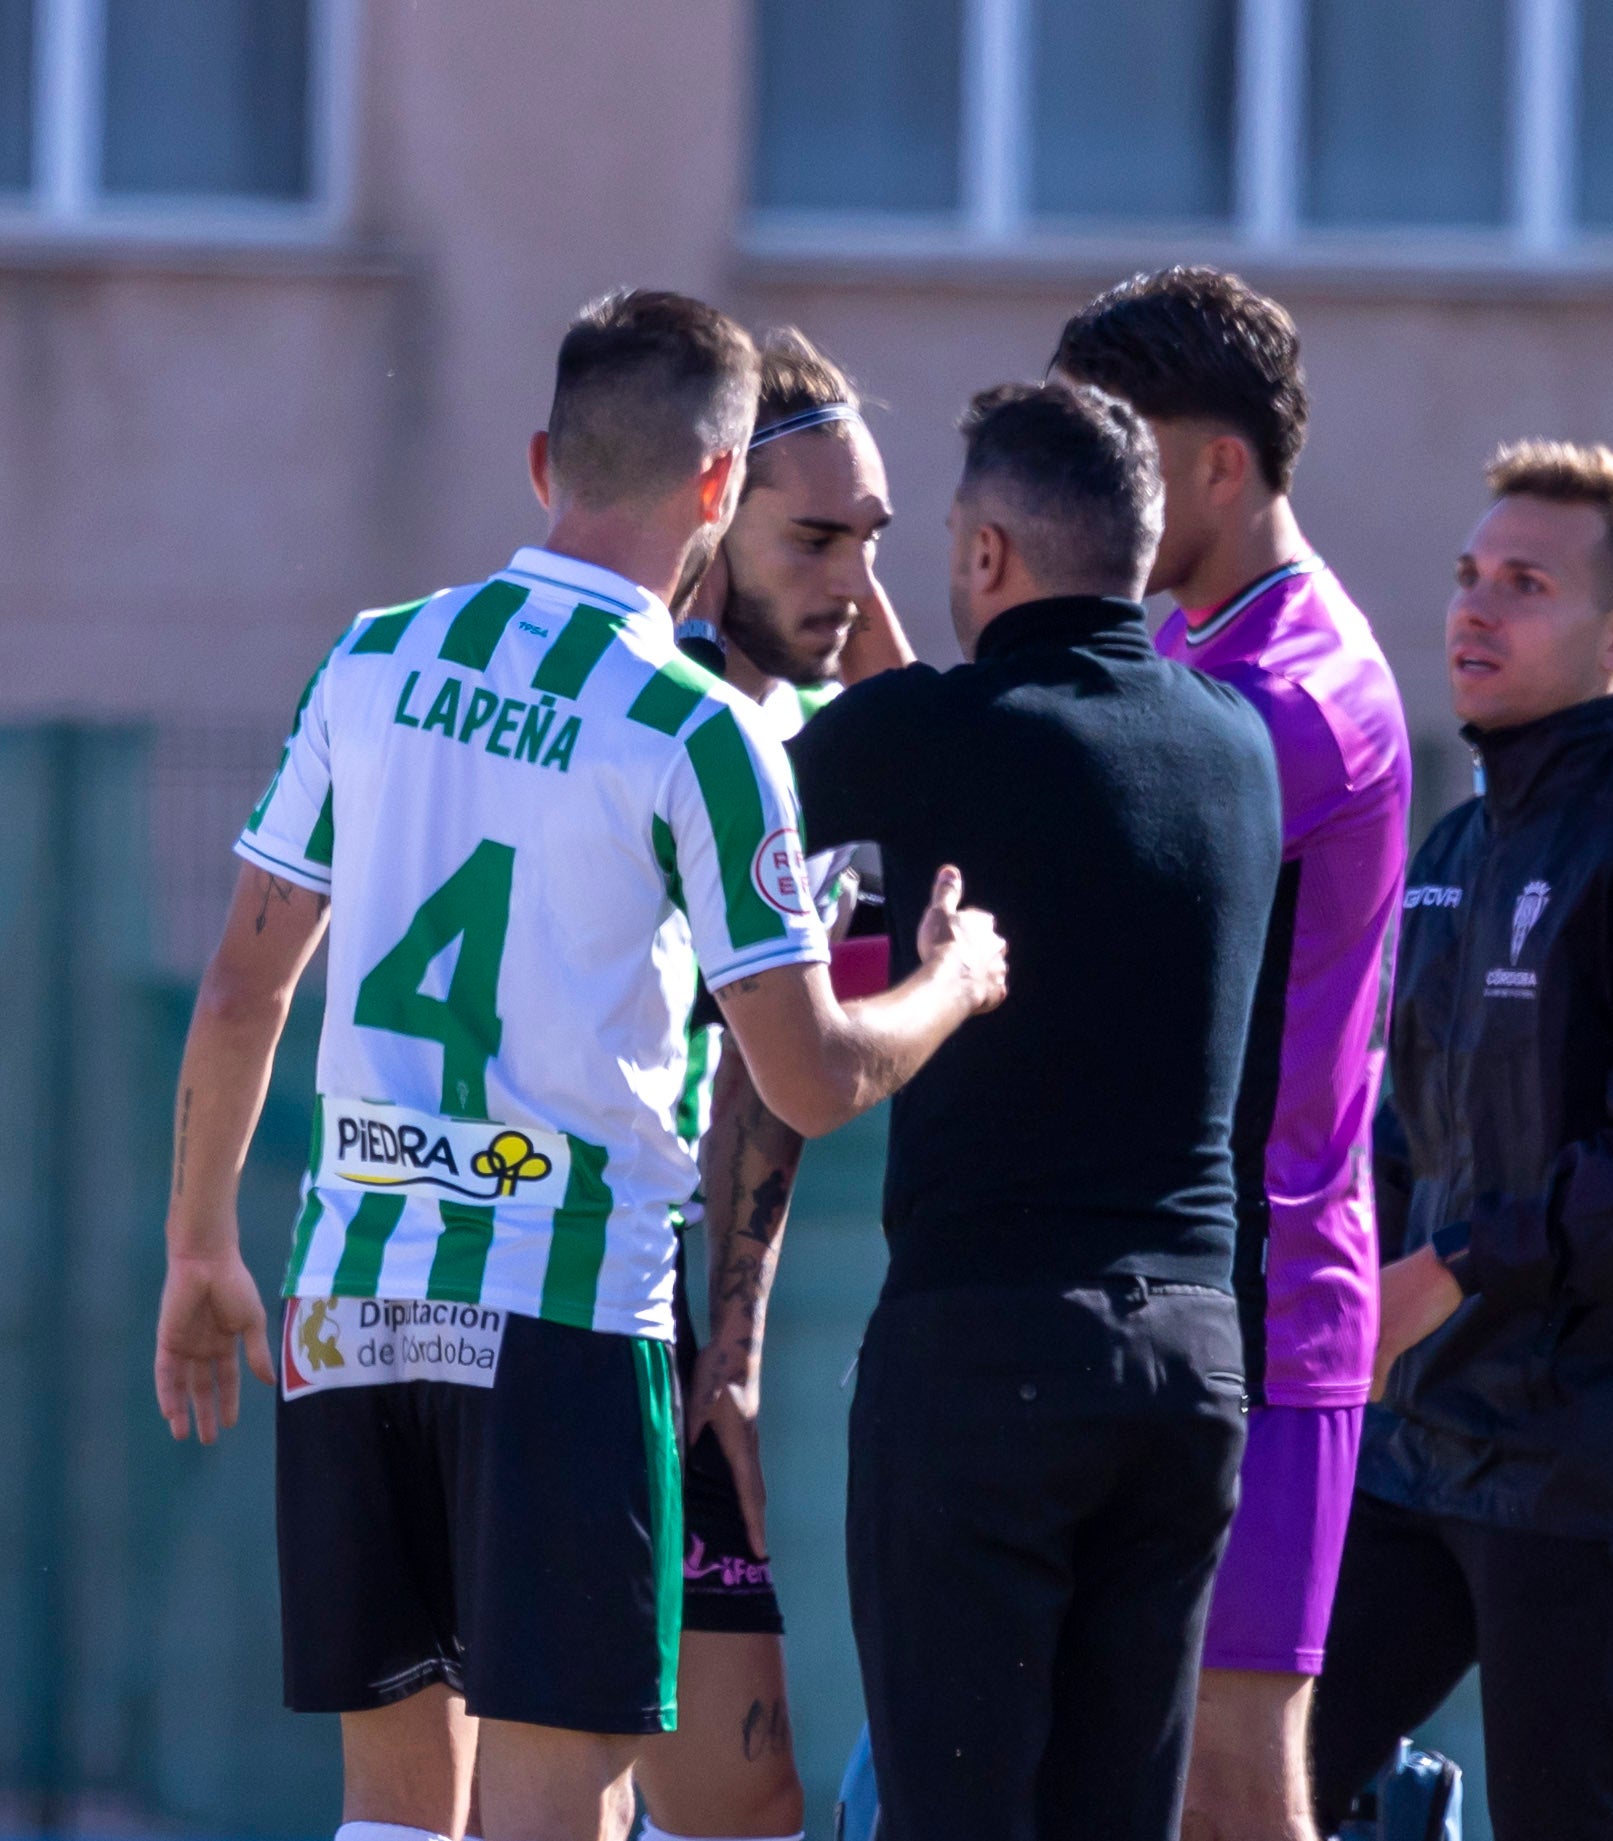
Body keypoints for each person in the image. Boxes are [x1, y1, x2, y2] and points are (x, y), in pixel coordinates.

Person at [151, 290, 1007, 1841]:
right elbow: (809, 1076)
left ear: (543, 457)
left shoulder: (370, 655)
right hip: (560, 1312)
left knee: (399, 1816)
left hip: (350, 1304)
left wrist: (202, 1245)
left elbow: (238, 989)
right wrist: (953, 983)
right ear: (716, 490)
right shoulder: (689, 726)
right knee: (560, 1813)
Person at [785, 379, 1283, 1841]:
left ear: (987, 555)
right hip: (1190, 1356)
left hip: (989, 1342)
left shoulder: (922, 740)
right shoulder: (1236, 746)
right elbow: (976, 743)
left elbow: (808, 781)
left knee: (953, 1813)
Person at [1308, 443, 1613, 1841]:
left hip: (1589, 1457)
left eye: (1524, 584)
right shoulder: (1453, 852)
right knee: (1247, 1776)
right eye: (1469, 576)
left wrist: (1447, 1268)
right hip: (1421, 1435)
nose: (1474, 609)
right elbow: (1404, 1134)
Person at [1052, 267, 1412, 1841]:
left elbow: (1089, 838)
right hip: (1159, 1277)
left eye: (1120, 446)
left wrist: (907, 705)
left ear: (1218, 465)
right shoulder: (1191, 647)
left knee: (1230, 1767)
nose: (1096, 491)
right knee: (1119, 1749)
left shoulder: (1304, 684)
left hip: (1267, 1292)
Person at [633, 327, 912, 1841]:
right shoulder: (649, 710)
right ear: (710, 503)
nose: (850, 583)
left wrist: (729, 1342)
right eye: (810, 537)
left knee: (724, 1794)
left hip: (678, 1296)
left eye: (870, 542)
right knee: (619, 1778)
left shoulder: (818, 741)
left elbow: (778, 1085)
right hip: (566, 1272)